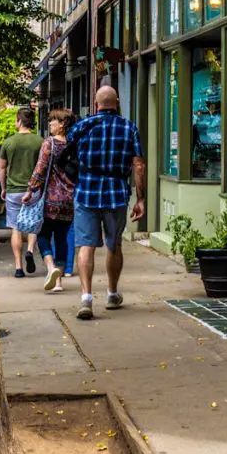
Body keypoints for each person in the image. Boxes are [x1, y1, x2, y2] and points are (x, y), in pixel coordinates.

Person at [66, 85, 145, 320]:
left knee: (85, 245)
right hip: (116, 192)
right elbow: (138, 165)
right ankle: (111, 293)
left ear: (96, 103)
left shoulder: (81, 127)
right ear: (117, 102)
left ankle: (86, 298)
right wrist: (140, 199)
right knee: (114, 244)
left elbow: (67, 153)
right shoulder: (129, 127)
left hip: (86, 191)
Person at [23, 108, 76, 292]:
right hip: (70, 201)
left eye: (53, 121)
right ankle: (59, 282)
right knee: (62, 239)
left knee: (43, 235)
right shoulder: (74, 144)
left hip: (51, 201)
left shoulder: (49, 144)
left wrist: (30, 190)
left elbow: (40, 169)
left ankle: (51, 267)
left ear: (62, 124)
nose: (50, 124)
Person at [0, 106, 42, 278]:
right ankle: (30, 250)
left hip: (13, 191)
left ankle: (18, 268)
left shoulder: (9, 142)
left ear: (19, 121)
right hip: (34, 190)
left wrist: (3, 188)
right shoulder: (40, 142)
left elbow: (2, 168)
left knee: (16, 228)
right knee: (33, 224)